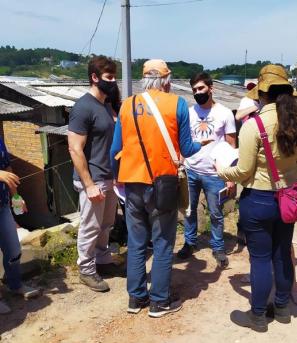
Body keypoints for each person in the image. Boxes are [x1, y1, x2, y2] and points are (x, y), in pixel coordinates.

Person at [217, 64, 297, 332]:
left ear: (263, 94)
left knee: (259, 258)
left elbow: (243, 170)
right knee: (282, 253)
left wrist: (220, 171)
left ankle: (258, 315)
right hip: (289, 198)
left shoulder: (254, 124)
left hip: (258, 199)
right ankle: (282, 308)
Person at [110, 59, 203, 318]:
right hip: (163, 184)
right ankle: (159, 301)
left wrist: (117, 178)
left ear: (144, 79)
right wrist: (204, 144)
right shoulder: (177, 104)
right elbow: (187, 149)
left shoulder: (127, 105)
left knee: (137, 242)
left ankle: (135, 298)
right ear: (166, 80)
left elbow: (115, 149)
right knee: (162, 243)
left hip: (132, 184)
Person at [68, 56, 122, 292]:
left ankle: (102, 260)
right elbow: (75, 148)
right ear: (94, 77)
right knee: (91, 225)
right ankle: (86, 270)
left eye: (114, 77)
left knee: (106, 223)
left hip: (108, 176)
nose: (113, 82)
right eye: (109, 77)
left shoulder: (105, 105)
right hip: (93, 179)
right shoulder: (83, 107)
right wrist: (88, 184)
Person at [177, 72, 237, 268]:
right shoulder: (189, 112)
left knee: (216, 212)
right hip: (191, 170)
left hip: (214, 173)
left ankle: (218, 246)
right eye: (194, 90)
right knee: (189, 210)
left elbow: (231, 145)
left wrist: (230, 175)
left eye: (201, 88)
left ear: (211, 89)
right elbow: (183, 141)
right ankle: (190, 242)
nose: (198, 92)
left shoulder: (225, 113)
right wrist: (180, 162)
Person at [0, 136, 40, 314]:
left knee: (14, 250)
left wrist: (16, 197)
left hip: (2, 205)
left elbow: (8, 170)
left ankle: (14, 285)